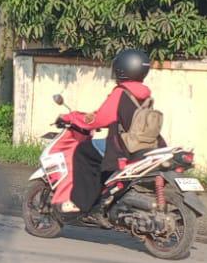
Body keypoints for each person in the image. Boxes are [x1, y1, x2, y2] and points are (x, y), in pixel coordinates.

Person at [64, 47, 159, 218]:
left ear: (122, 69)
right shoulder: (145, 94)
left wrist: (74, 118)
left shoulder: (121, 92)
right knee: (98, 153)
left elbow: (100, 119)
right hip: (142, 145)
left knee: (84, 151)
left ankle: (81, 203)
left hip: (123, 146)